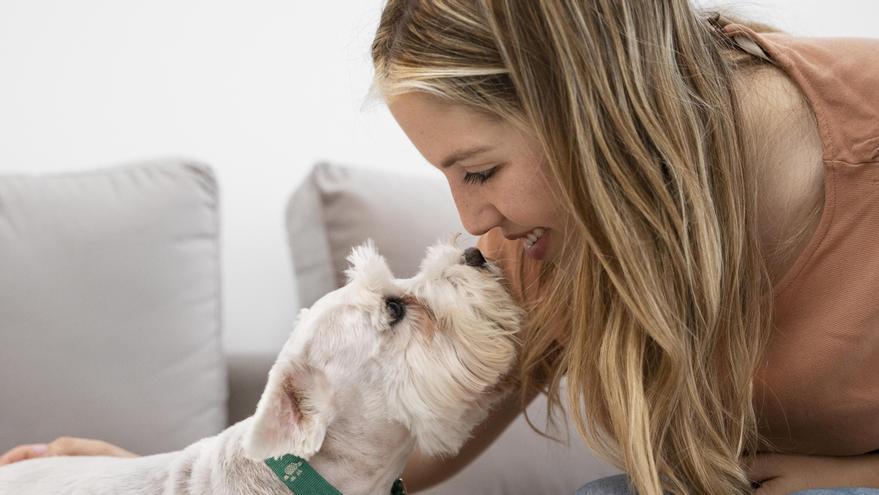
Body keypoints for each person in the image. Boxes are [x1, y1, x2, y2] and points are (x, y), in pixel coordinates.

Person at [3, 1, 877, 493]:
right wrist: (177, 478)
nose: (471, 218)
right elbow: (400, 436)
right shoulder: (546, 241)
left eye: (480, 169)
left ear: (590, 114)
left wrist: (842, 472)